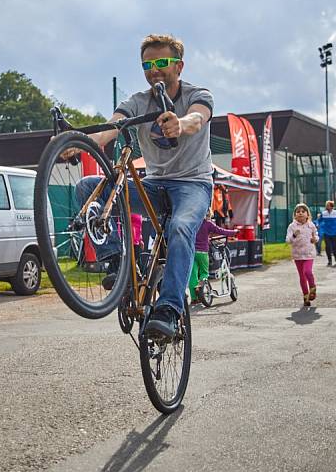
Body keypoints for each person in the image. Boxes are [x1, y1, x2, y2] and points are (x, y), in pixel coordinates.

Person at [74, 33, 214, 340]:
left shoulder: (197, 94)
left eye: (162, 62)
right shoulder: (137, 101)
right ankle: (118, 265)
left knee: (180, 228)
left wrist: (180, 123)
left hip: (193, 184)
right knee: (87, 187)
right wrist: (80, 144)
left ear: (179, 66)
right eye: (147, 64)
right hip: (153, 185)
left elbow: (197, 119)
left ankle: (169, 309)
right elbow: (112, 127)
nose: (154, 70)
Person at [189, 209, 237, 302]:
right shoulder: (208, 224)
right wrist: (234, 232)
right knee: (204, 273)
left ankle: (194, 298)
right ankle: (201, 286)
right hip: (202, 252)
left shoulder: (192, 223)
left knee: (193, 275)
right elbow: (221, 231)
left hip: (192, 252)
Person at [286, 203, 319, 307]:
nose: (300, 213)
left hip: (309, 253)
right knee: (302, 276)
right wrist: (294, 235)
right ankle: (306, 296)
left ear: (307, 214)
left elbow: (316, 235)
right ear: (295, 215)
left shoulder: (311, 225)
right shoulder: (292, 226)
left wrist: (315, 239)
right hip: (297, 255)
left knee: (307, 271)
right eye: (298, 212)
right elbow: (287, 240)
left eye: (303, 211)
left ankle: (312, 288)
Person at [320, 200, 336, 266]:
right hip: (326, 232)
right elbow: (319, 221)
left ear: (331, 206)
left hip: (335, 232)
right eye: (326, 205)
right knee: (327, 246)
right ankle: (329, 260)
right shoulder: (323, 213)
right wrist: (316, 224)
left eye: (328, 205)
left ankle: (335, 254)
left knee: (335, 246)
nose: (327, 206)